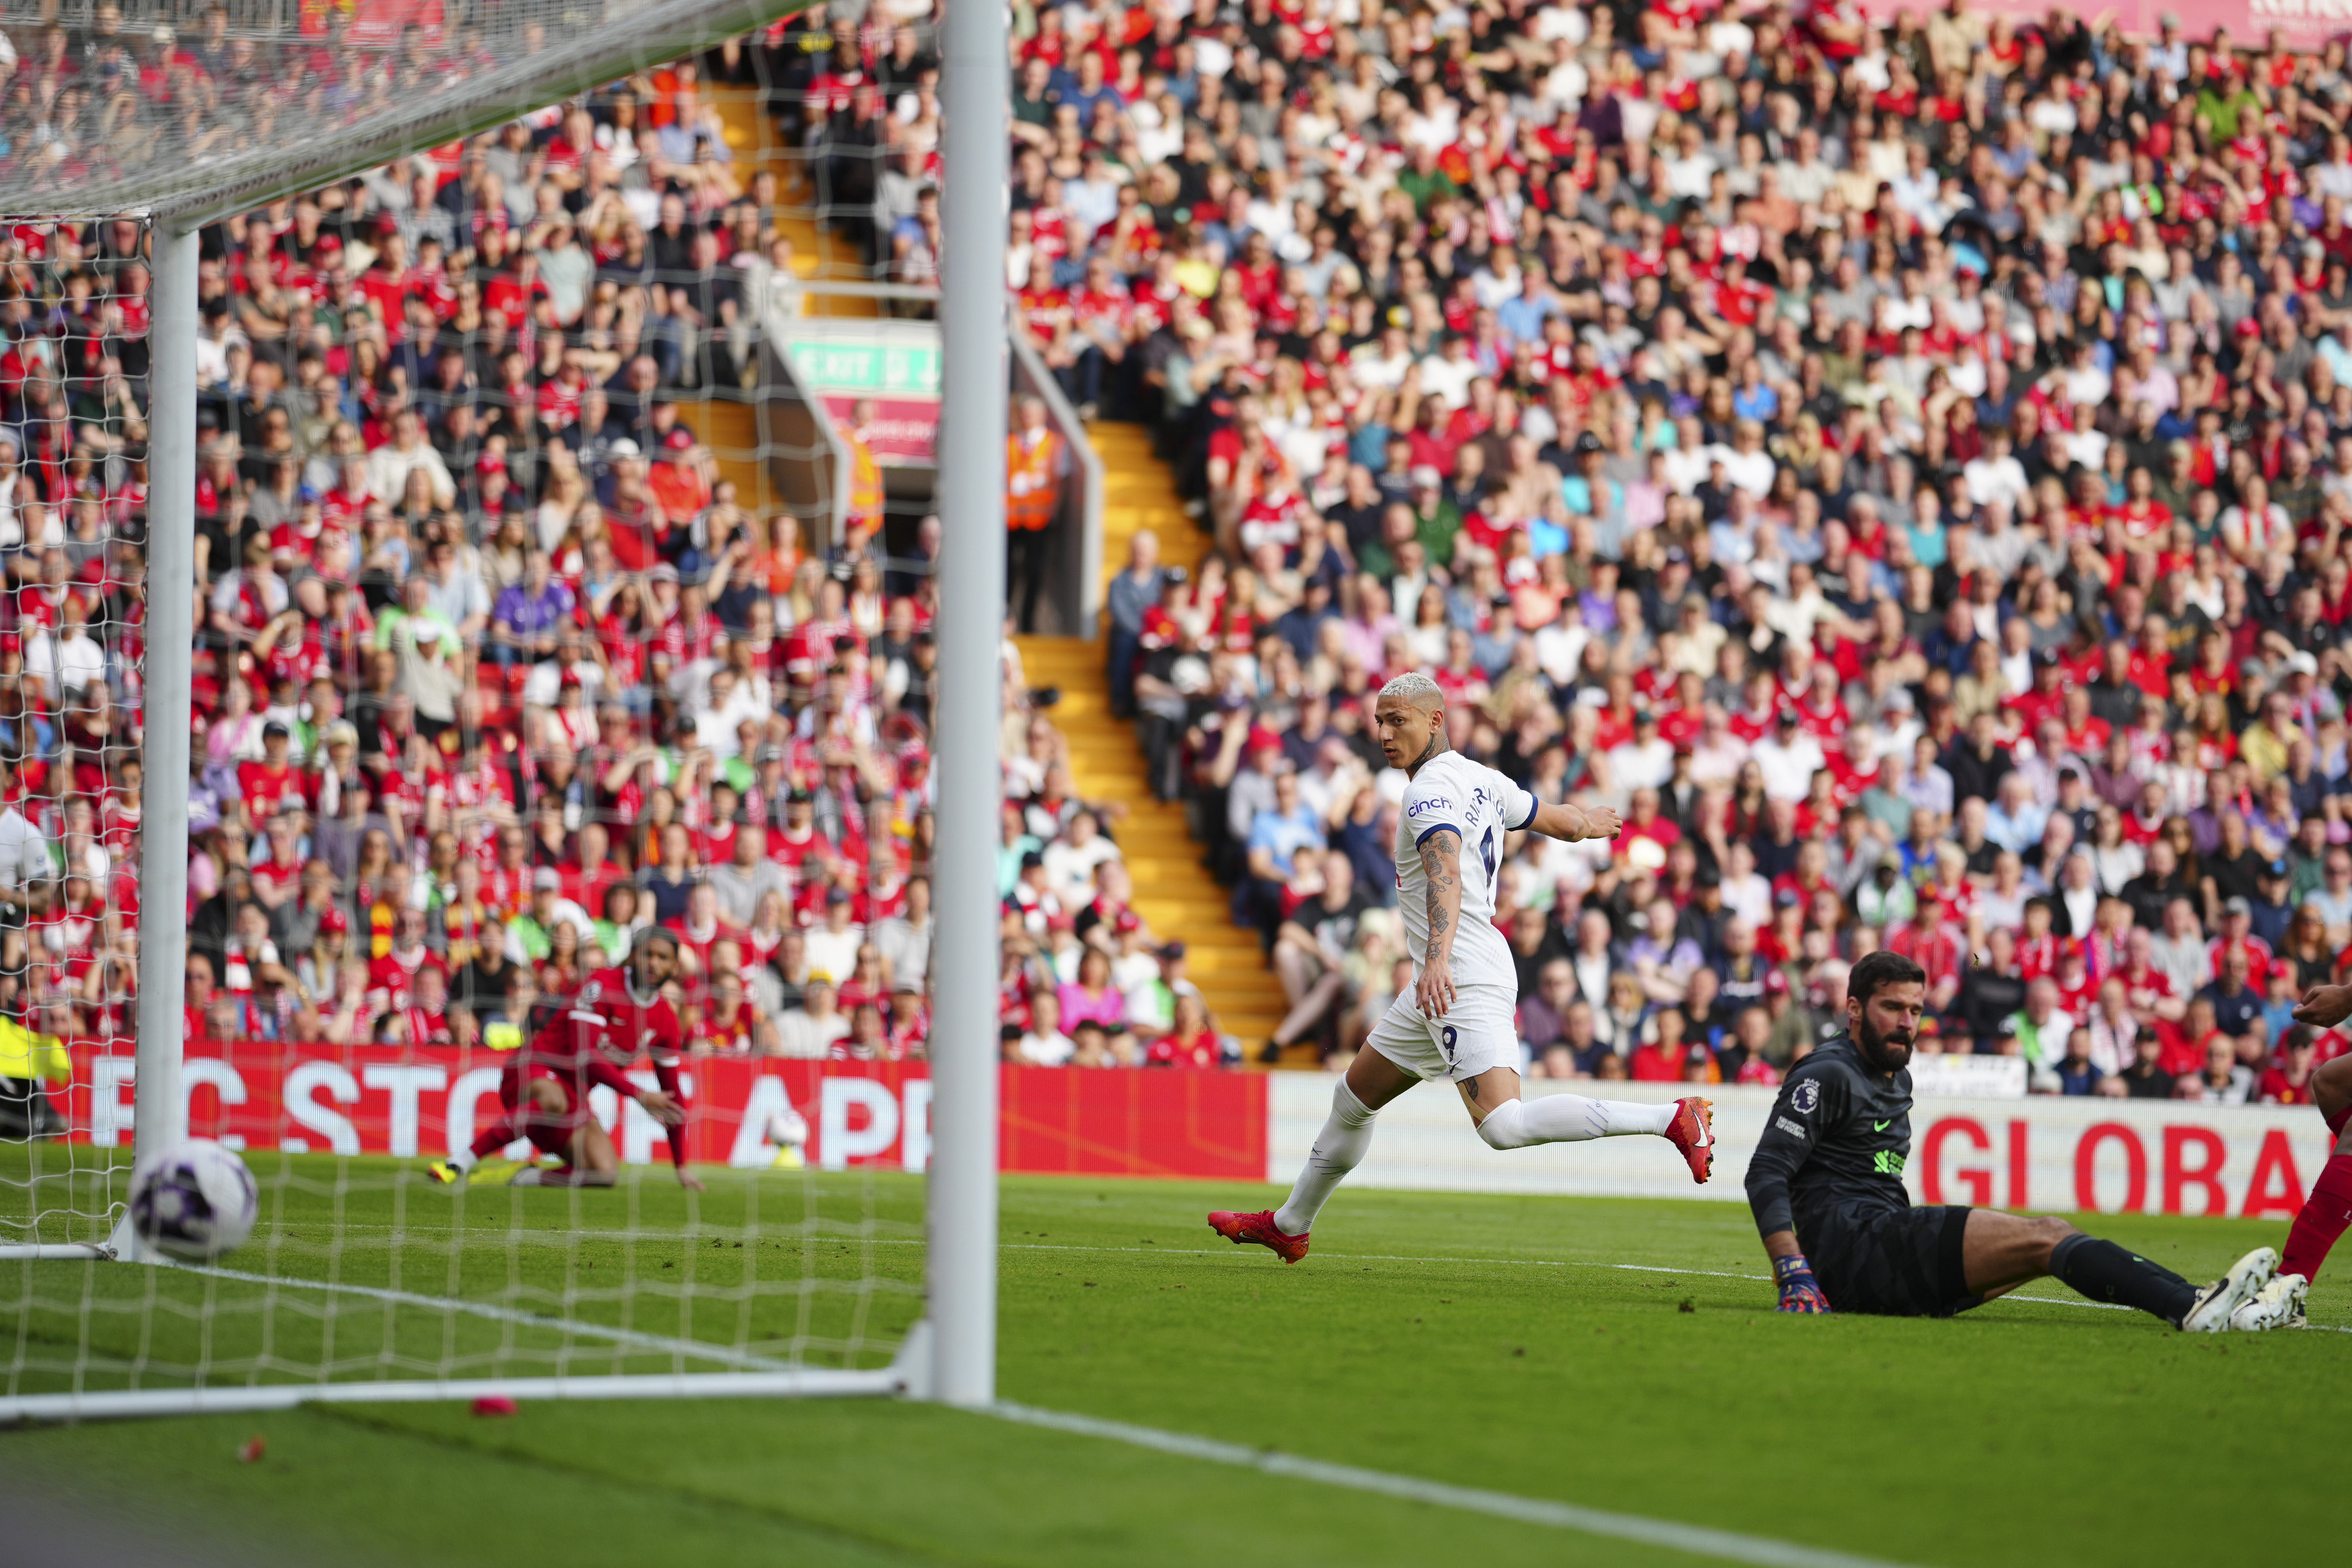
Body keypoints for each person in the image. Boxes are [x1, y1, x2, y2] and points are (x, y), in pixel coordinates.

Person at [1207, 673, 1712, 1262]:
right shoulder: (1483, 779)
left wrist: (1437, 961)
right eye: (1379, 720)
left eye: (1399, 720)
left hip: (1457, 969)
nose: (1386, 733)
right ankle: (1290, 1224)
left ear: (1436, 719)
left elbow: (1443, 869)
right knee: (1354, 1097)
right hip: (1448, 968)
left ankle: (1672, 1117)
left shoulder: (1429, 793)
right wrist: (1590, 823)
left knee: (1502, 1124)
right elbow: (1558, 820)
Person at [1747, 950, 2284, 1332]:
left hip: (1881, 1249)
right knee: (2045, 1236)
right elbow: (1766, 1170)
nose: (1907, 1022)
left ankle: (2204, 1301)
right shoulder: (1828, 1072)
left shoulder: (1896, 1076)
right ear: (1855, 1009)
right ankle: (2188, 1305)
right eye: (1892, 1007)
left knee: (2048, 1245)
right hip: (1853, 1247)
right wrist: (1794, 1270)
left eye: (1915, 1009)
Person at [428, 928, 696, 1189]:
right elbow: (585, 1055)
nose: (653, 963)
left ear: (674, 968)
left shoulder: (666, 1022)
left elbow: (673, 1099)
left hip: (574, 1095)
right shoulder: (601, 986)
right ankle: (459, 1163)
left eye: (663, 958)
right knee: (552, 1099)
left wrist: (681, 1166)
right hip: (533, 1069)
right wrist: (639, 1095)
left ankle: (527, 1178)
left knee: (603, 1172)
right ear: (633, 955)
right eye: (647, 954)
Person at [1004, 394, 1064, 632]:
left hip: (1039, 520)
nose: (1026, 417)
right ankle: (1005, 619)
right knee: (1006, 571)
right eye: (1023, 413)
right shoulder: (1008, 443)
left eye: (1031, 413)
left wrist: (1053, 513)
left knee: (1034, 572)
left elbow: (1060, 482)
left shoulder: (1054, 444)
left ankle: (1028, 622)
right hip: (1010, 519)